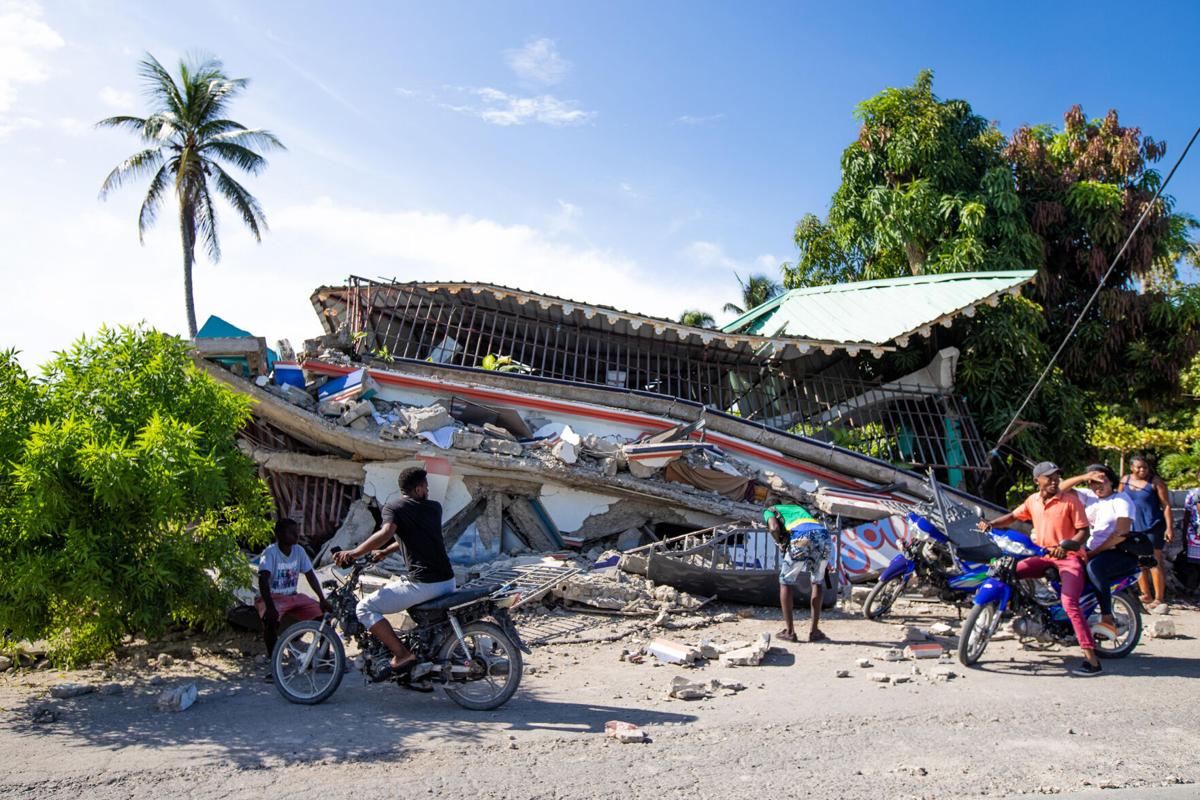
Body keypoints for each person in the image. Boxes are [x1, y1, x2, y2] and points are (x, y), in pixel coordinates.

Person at [333, 467, 456, 678]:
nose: (428, 490)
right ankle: (418, 672)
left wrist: (354, 552)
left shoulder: (394, 507)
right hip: (447, 581)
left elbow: (387, 531)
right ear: (418, 489)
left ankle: (401, 655)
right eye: (426, 487)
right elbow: (413, 536)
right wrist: (384, 551)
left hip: (424, 584)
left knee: (364, 607)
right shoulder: (434, 509)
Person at [980, 462, 1100, 676]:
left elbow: (1083, 532)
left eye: (1056, 477)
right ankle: (1031, 613)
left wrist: (1067, 546)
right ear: (1038, 481)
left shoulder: (1070, 501)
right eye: (1049, 477)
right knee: (1008, 571)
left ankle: (1092, 660)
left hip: (1068, 557)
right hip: (1043, 555)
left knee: (1069, 603)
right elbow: (1013, 517)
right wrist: (990, 524)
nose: (1054, 480)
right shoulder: (1032, 501)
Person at [1059, 465, 1136, 642]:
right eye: (1092, 482)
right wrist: (1083, 476)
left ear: (1111, 481)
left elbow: (1121, 534)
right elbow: (1059, 490)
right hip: (1090, 550)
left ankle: (1107, 617)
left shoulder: (1121, 500)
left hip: (1116, 551)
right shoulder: (1089, 497)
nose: (1097, 486)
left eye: (1102, 481)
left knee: (1094, 568)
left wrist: (1093, 554)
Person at [257, 518, 332, 681]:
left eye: (296, 531)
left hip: (292, 595)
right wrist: (270, 607)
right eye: (291, 532)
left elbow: (310, 575)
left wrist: (322, 599)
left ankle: (324, 659)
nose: (296, 535)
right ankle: (274, 665)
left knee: (323, 615)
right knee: (270, 621)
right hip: (273, 597)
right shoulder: (270, 553)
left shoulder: (299, 551)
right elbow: (263, 580)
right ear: (278, 535)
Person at [764, 503, 833, 643]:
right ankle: (814, 632)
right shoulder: (799, 508)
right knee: (817, 582)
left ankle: (790, 632)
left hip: (801, 537)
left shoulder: (769, 510)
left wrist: (780, 543)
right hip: (824, 536)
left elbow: (774, 528)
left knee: (786, 582)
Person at [1120, 455, 1174, 611]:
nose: (1142, 470)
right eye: (1139, 467)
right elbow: (1118, 500)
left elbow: (1166, 505)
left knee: (1154, 562)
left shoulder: (1155, 482)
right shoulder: (1125, 481)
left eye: (1145, 467)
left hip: (1153, 526)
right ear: (1132, 468)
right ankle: (1145, 594)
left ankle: (1159, 598)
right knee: (1138, 561)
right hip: (1133, 527)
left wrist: (1169, 528)